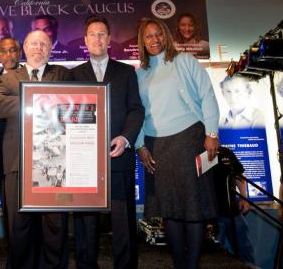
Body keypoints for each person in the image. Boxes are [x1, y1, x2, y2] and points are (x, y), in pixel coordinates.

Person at [136, 18, 220, 269]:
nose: (154, 40)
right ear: (142, 41)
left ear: (166, 36)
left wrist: (212, 132)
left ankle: (192, 265)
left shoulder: (184, 61)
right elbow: (137, 112)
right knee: (170, 208)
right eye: (149, 36)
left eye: (158, 34)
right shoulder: (139, 73)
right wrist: (140, 145)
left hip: (189, 138)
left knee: (192, 206)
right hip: (156, 144)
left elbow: (207, 95)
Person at [0, 30, 70, 269]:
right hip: (18, 164)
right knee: (20, 228)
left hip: (55, 164)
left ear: (50, 49)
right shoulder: (11, 77)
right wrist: (34, 98)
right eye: (33, 43)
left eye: (43, 44)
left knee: (54, 226)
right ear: (24, 48)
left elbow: (73, 103)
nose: (38, 48)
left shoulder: (63, 74)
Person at [70, 16, 144, 269]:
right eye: (93, 34)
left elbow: (136, 110)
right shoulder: (73, 75)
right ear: (85, 40)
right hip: (83, 162)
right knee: (85, 222)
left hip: (118, 156)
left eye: (102, 34)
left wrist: (125, 138)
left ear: (109, 39)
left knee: (122, 220)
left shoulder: (126, 72)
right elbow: (67, 114)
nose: (98, 38)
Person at [0, 37, 22, 244]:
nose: (9, 55)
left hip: (32, 156)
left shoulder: (32, 78)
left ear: (19, 53)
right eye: (4, 51)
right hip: (2, 158)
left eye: (13, 50)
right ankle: (14, 256)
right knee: (10, 213)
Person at [213, 146, 255, 266]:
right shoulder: (197, 154)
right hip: (211, 215)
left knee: (245, 251)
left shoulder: (226, 152)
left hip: (233, 211)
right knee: (212, 256)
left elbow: (239, 175)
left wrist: (244, 197)